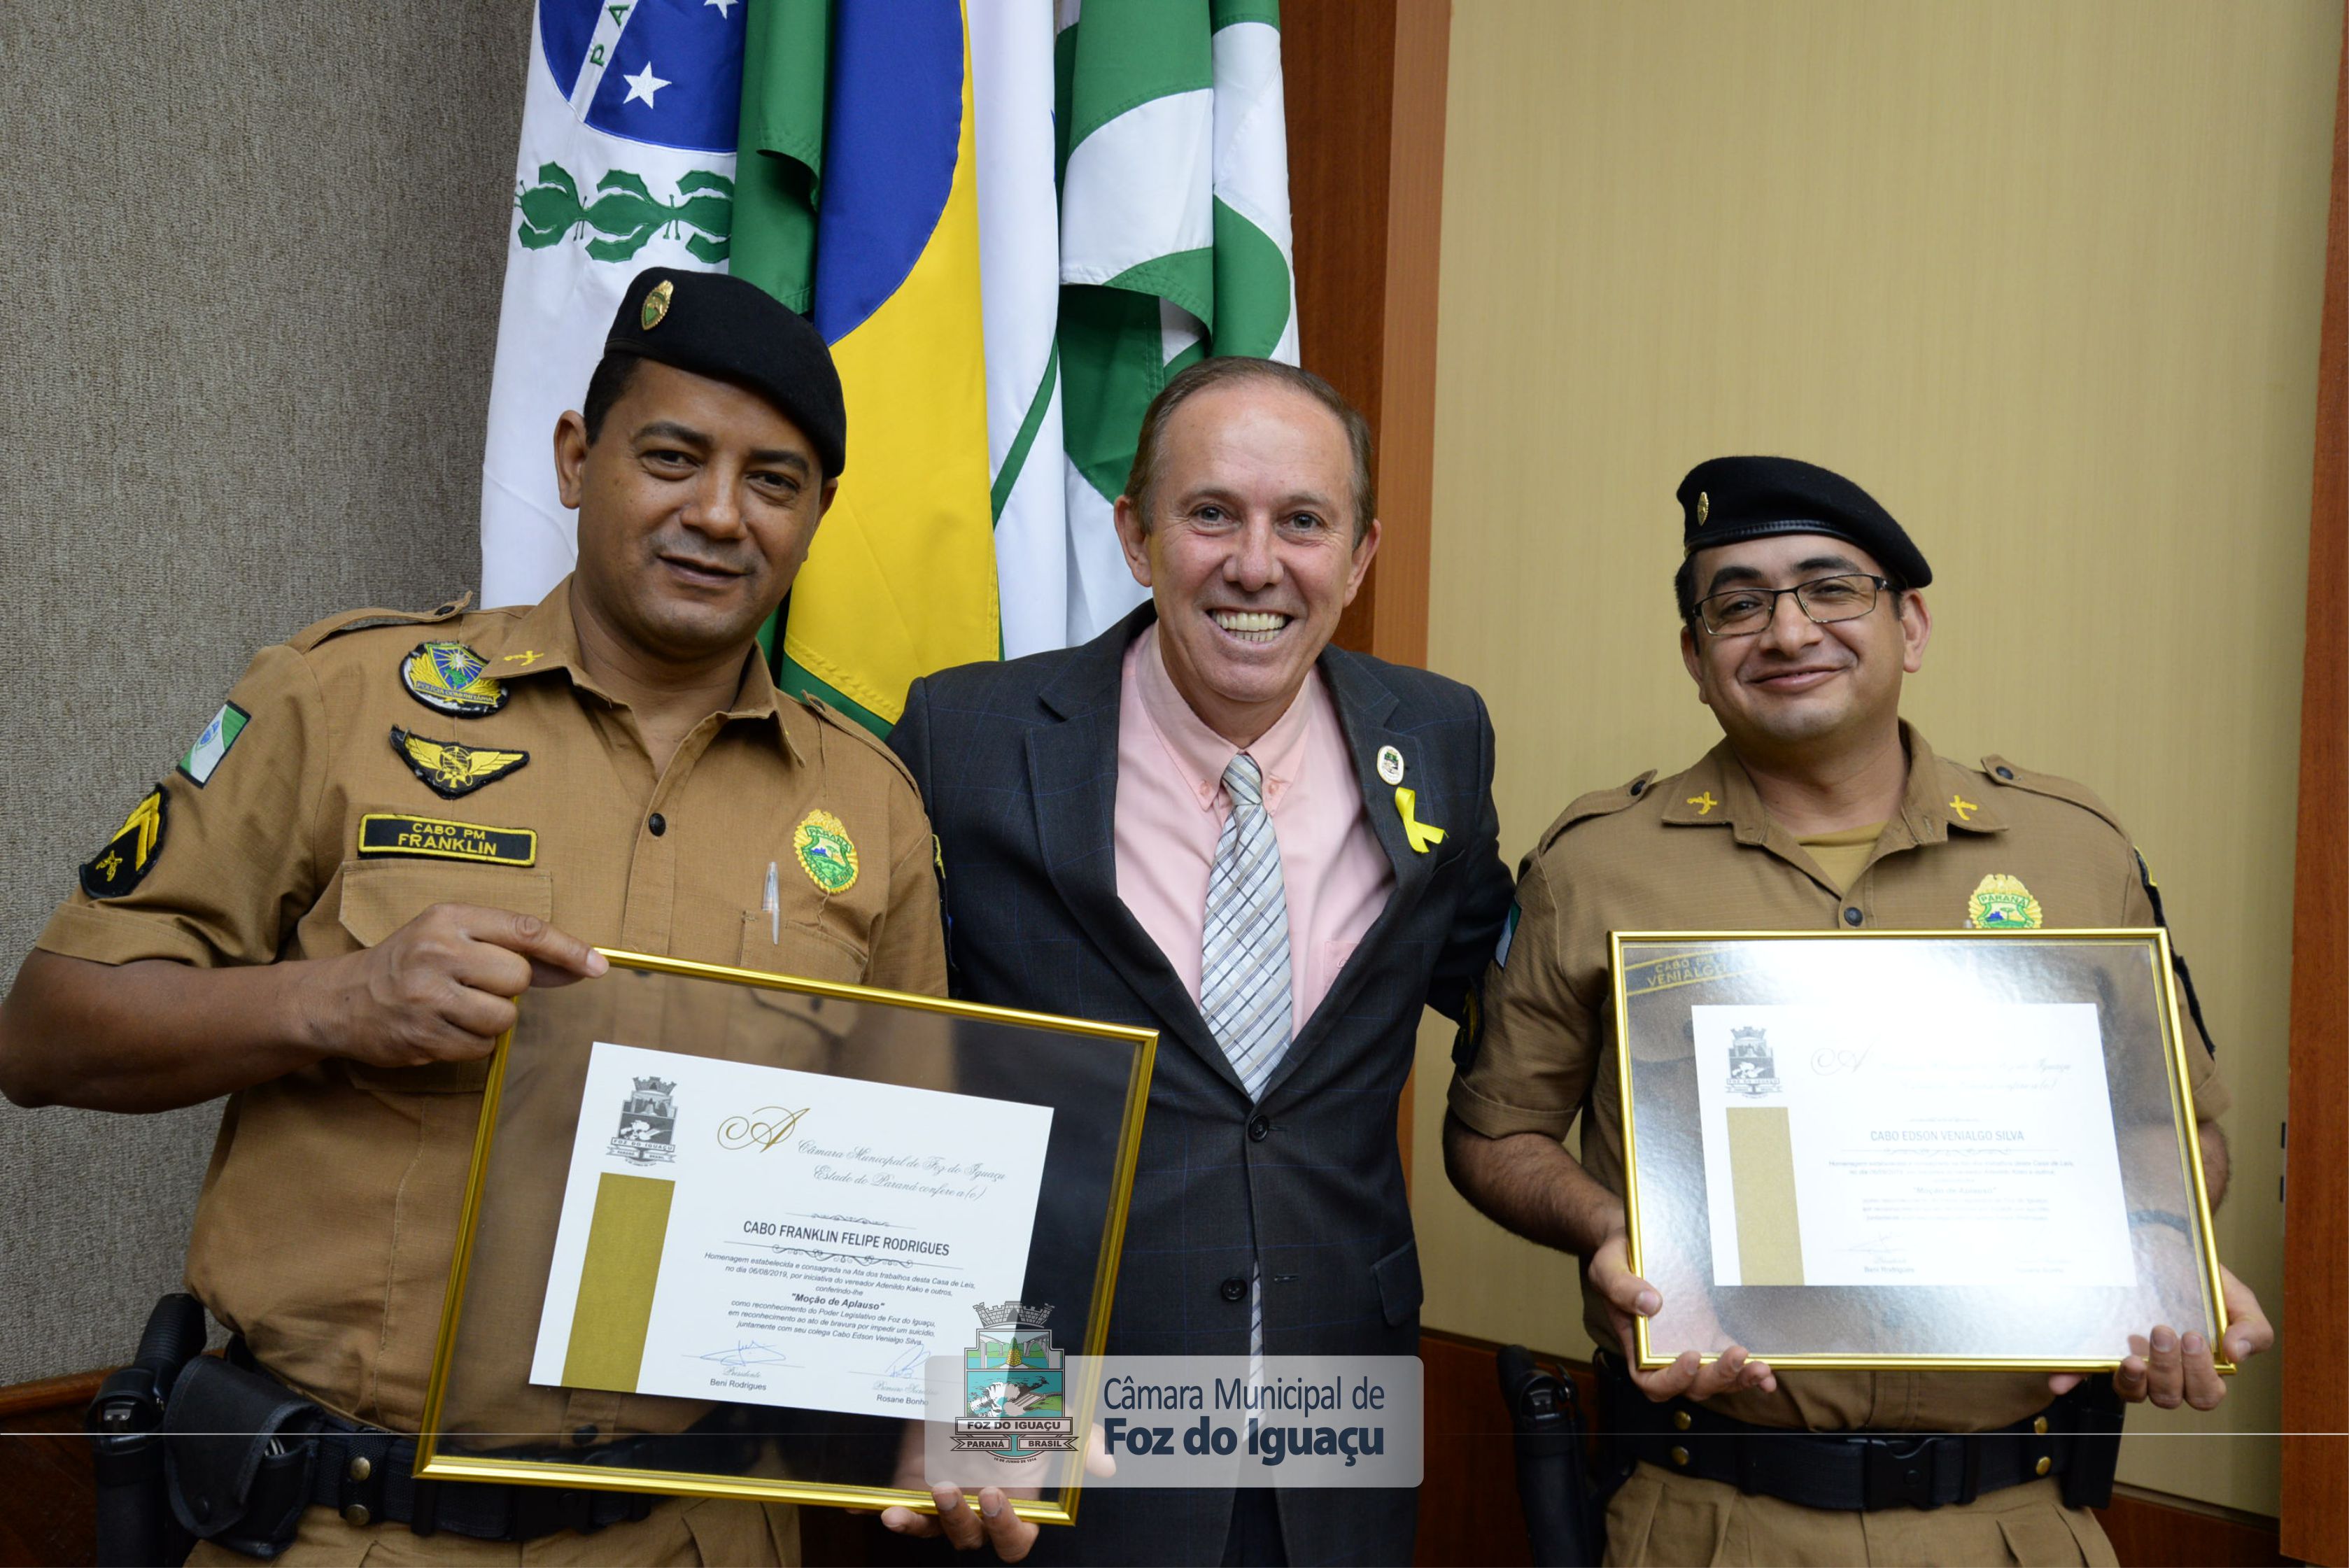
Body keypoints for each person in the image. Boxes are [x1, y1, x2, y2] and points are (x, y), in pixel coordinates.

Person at [0, 267, 1024, 1565]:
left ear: (818, 517)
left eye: (774, 481)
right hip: (350, 1523)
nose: (719, 513)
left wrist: (1000, 1419)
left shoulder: (867, 804)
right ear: (576, 458)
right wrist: (335, 999)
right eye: (671, 455)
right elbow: (40, 1035)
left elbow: (948, 1175)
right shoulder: (346, 700)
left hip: (700, 1533)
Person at [1443, 455, 2274, 1567]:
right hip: (1711, 1520)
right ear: (1695, 658)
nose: (1786, 632)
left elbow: (2174, 1129)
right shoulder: (1595, 867)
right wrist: (1615, 1232)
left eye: (1830, 588)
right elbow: (1492, 1133)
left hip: (2015, 1523)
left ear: (1910, 625)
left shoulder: (2072, 850)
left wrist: (2162, 1247)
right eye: (1736, 604)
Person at [884, 357, 1515, 1565]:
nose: (1256, 565)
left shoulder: (1437, 737)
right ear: (1135, 534)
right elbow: (908, 1087)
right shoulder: (966, 738)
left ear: (1361, 555)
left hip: (1337, 1413)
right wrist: (980, 1398)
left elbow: (1503, 979)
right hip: (1048, 1415)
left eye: (1304, 523)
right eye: (1211, 513)